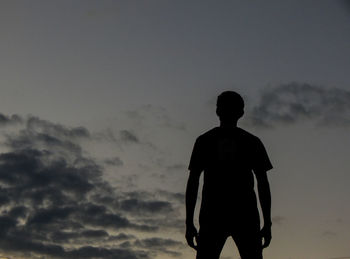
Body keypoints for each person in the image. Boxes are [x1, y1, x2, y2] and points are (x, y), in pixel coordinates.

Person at [185, 91, 273, 259]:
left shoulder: (205, 140)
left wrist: (189, 222)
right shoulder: (251, 141)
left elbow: (193, 181)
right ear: (241, 113)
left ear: (218, 111)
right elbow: (263, 183)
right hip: (238, 215)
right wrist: (267, 222)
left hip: (220, 214)